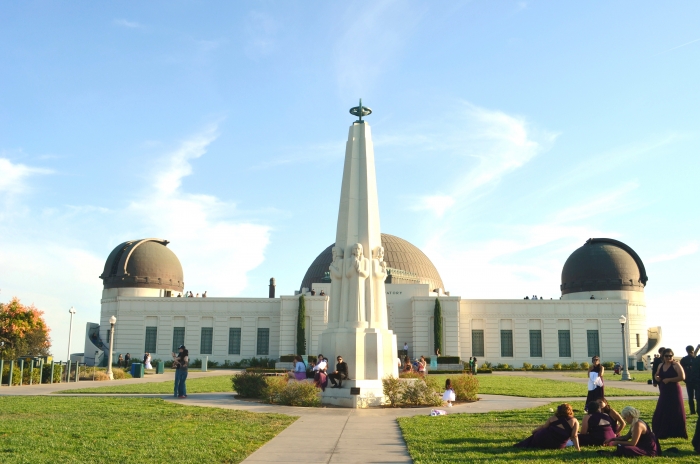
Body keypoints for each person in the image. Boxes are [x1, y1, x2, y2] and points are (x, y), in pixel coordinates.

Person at [652, 348, 687, 439]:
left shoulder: (676, 365)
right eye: (666, 356)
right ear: (663, 356)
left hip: (674, 390)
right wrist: (657, 378)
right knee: (662, 408)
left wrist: (670, 379)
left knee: (675, 409)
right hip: (664, 389)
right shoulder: (660, 365)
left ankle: (677, 431)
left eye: (670, 356)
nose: (668, 358)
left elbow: (682, 377)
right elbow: (656, 374)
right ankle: (662, 430)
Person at [514, 403, 580, 451]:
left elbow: (544, 427)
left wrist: (534, 431)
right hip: (557, 445)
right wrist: (578, 449)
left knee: (530, 440)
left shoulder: (552, 418)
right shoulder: (574, 421)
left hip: (542, 439)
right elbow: (574, 436)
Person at [680, 344, 699, 415]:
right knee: (690, 397)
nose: (690, 353)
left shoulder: (696, 358)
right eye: (689, 351)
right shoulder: (684, 360)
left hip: (696, 381)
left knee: (697, 397)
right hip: (689, 381)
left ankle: (698, 410)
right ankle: (692, 411)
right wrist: (685, 380)